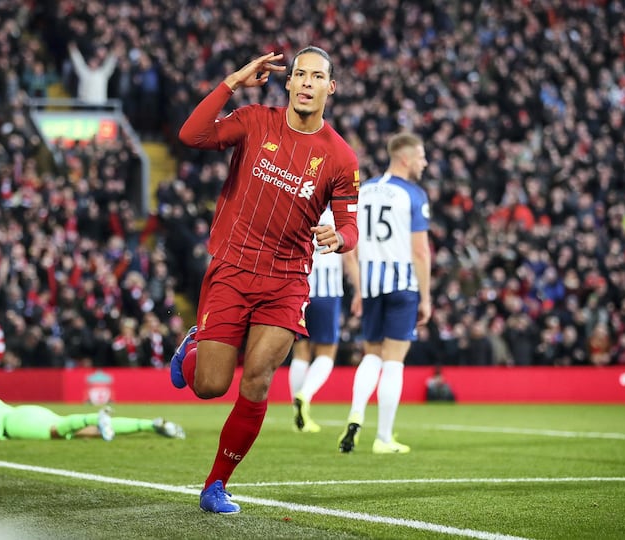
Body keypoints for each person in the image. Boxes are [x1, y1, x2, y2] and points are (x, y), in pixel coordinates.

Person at [171, 47, 359, 514]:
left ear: (330, 88)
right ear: (289, 83)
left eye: (317, 76)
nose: (307, 82)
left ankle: (215, 485)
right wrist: (232, 81)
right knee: (211, 385)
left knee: (256, 380)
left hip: (287, 280)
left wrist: (341, 238)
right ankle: (192, 350)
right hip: (233, 268)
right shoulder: (255, 119)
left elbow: (350, 224)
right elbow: (191, 134)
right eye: (299, 74)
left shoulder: (340, 157)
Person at [337, 132, 432, 455]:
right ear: (405, 158)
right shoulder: (413, 195)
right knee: (393, 361)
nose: (425, 162)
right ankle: (384, 437)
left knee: (371, 355)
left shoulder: (363, 191)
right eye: (421, 156)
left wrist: (360, 287)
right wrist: (427, 297)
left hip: (372, 286)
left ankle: (356, 413)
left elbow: (350, 245)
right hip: (402, 286)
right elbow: (420, 252)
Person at [289, 207, 361, 433]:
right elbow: (348, 257)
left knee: (300, 352)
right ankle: (305, 395)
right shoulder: (337, 216)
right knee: (327, 353)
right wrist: (359, 290)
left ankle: (298, 416)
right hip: (327, 292)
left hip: (299, 288)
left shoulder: (299, 208)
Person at [0, 378, 185, 441]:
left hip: (15, 424)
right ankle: (150, 425)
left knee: (56, 430)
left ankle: (95, 415)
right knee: (84, 432)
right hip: (25, 412)